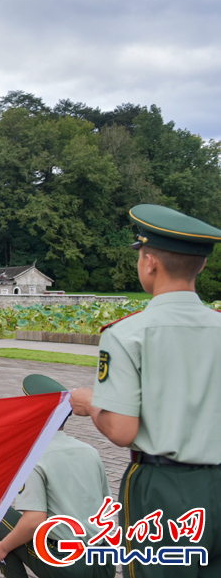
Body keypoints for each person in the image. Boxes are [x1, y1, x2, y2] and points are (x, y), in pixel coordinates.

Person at [69, 204, 221, 578]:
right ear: (200, 265)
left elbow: (122, 431)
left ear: (149, 262)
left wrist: (90, 402)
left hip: (164, 491)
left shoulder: (126, 334)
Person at [0, 374, 114, 578]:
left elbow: (34, 521)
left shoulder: (34, 456)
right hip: (104, 560)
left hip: (67, 564)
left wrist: (2, 547)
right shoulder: (89, 451)